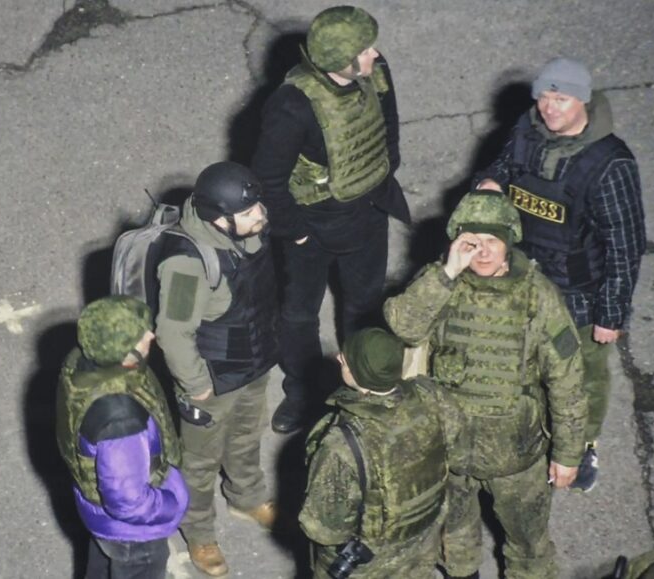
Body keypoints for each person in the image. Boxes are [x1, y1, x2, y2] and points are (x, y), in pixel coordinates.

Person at [384, 190, 588, 579]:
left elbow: (568, 380)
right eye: (471, 241)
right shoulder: (441, 283)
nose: (482, 251)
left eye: (492, 241)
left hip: (516, 456)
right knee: (456, 540)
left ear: (509, 241)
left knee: (529, 545)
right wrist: (446, 272)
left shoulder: (538, 296)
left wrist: (568, 453)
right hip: (450, 450)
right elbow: (404, 327)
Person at [475, 57, 646, 492]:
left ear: (583, 100)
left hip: (580, 293)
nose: (550, 108)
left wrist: (611, 314)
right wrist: (491, 182)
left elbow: (625, 245)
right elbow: (505, 166)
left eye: (561, 99)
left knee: (582, 373)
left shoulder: (610, 164)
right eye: (545, 96)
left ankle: (583, 444)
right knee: (521, 358)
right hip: (524, 273)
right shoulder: (528, 130)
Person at [251, 5, 411, 434]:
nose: (375, 54)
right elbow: (267, 178)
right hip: (313, 227)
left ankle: (359, 386)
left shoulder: (375, 70)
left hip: (369, 215)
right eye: (364, 49)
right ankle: (302, 390)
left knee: (364, 305)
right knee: (299, 314)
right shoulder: (292, 106)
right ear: (341, 60)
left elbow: (388, 123)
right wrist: (296, 233)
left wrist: (383, 170)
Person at [155, 161, 280, 576]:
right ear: (219, 219)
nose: (260, 215)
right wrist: (196, 387)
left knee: (247, 436)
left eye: (257, 205)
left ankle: (247, 496)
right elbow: (173, 334)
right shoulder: (187, 264)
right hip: (212, 380)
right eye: (247, 213)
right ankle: (200, 533)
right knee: (199, 463)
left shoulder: (246, 234)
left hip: (252, 365)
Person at [300, 328, 463, 578]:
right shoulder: (432, 395)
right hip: (422, 541)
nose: (339, 358)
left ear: (357, 374)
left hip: (369, 565)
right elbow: (455, 447)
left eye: (346, 358)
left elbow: (323, 529)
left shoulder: (343, 443)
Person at [55, 296, 189, 579]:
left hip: (100, 518)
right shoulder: (120, 418)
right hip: (133, 535)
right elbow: (129, 502)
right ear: (123, 350)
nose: (151, 335)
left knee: (101, 569)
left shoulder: (83, 363)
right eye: (142, 334)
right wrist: (171, 503)